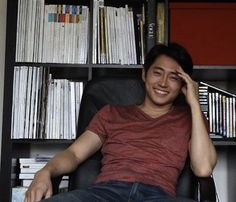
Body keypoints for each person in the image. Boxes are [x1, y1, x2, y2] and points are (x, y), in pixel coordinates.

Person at [24, 43, 217, 202]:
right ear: (144, 75)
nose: (163, 83)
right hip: (104, 194)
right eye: (157, 73)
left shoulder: (191, 120)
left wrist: (194, 104)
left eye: (174, 77)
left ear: (184, 84)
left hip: (158, 196)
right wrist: (45, 172)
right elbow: (74, 154)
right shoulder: (112, 113)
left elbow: (203, 168)